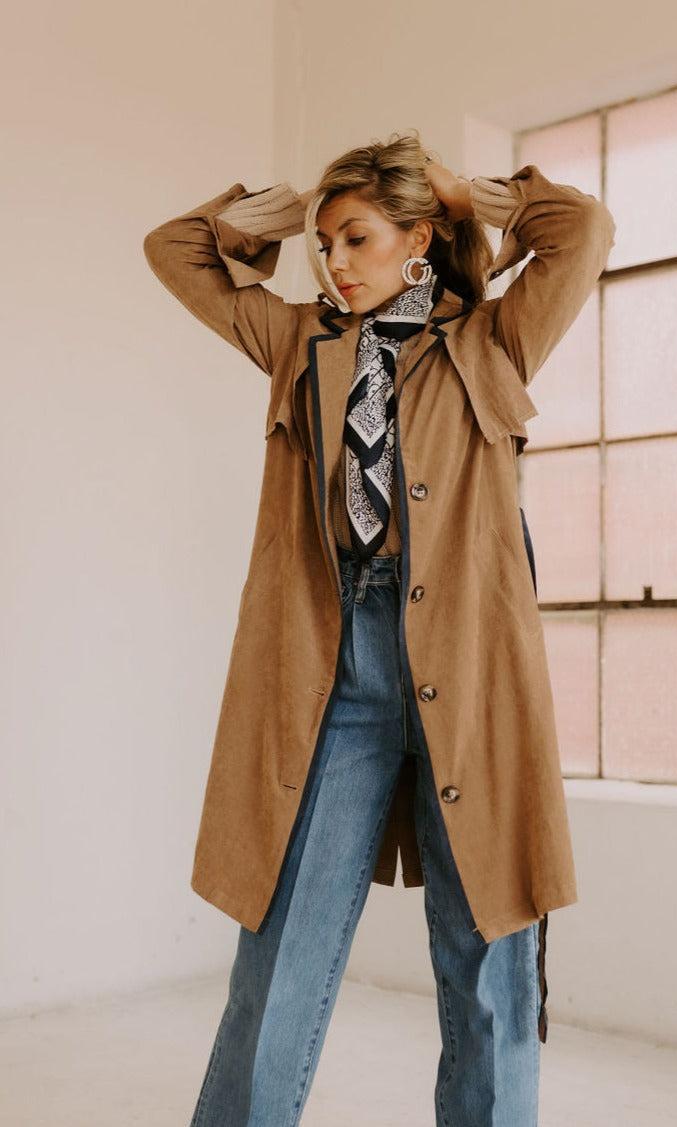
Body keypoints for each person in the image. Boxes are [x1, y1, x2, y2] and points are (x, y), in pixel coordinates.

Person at [143, 128, 616, 1126]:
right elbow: (174, 250)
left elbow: (582, 230)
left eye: (356, 237)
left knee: (490, 951)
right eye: (325, 246)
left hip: (471, 665)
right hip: (335, 663)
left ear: (418, 237)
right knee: (281, 947)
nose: (335, 263)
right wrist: (278, 214)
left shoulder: (492, 340)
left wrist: (465, 192)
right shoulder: (299, 343)